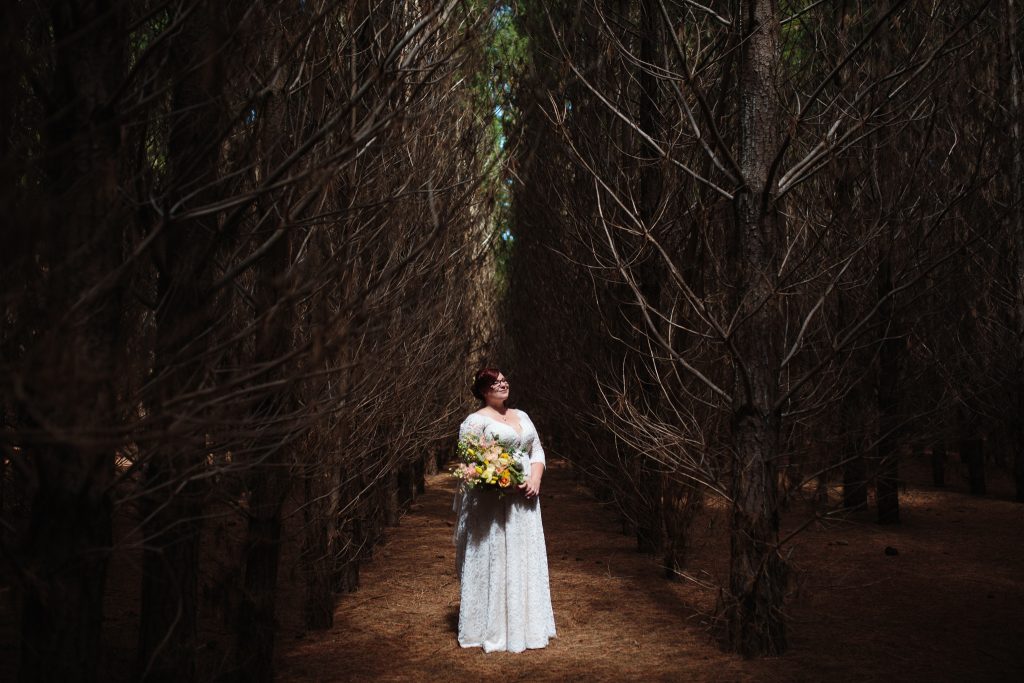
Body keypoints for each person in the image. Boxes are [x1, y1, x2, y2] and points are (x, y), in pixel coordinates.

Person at [452, 367, 556, 652]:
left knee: (523, 555)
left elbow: (536, 450)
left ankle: (527, 624)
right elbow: (470, 462)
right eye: (495, 382)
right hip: (495, 501)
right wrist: (505, 482)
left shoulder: (521, 415)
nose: (502, 384)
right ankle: (492, 627)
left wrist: (535, 478)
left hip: (527, 500)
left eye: (504, 380)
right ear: (483, 390)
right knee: (497, 555)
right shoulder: (474, 421)